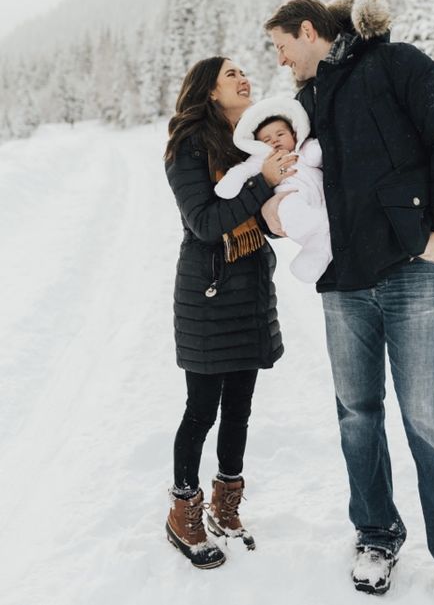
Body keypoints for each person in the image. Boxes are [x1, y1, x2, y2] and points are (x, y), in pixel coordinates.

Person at [262, 0, 434, 605]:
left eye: (283, 48)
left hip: (410, 268)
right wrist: (271, 208)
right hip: (343, 282)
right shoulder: (305, 105)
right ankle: (376, 534)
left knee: (428, 418)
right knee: (356, 414)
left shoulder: (397, 64)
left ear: (309, 31)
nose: (281, 62)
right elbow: (296, 182)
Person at [163, 56, 296, 569]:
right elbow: (204, 221)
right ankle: (183, 508)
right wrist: (262, 181)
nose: (244, 78)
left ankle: (225, 504)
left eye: (245, 71)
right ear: (208, 91)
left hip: (249, 287)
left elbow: (257, 215)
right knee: (202, 408)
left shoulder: (248, 141)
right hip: (209, 291)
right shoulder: (188, 145)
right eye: (231, 75)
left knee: (239, 405)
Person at [214, 95, 331, 283]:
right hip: (292, 198)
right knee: (288, 207)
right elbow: (244, 170)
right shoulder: (262, 160)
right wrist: (232, 180)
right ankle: (320, 234)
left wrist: (315, 148)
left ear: (294, 134)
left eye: (280, 134)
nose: (275, 141)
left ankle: (317, 248)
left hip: (325, 199)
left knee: (322, 228)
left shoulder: (303, 148)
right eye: (267, 139)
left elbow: (318, 155)